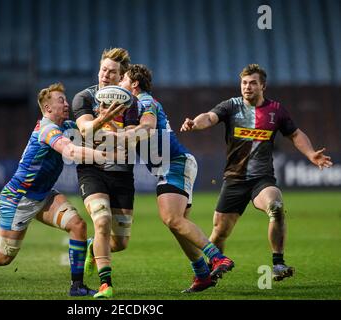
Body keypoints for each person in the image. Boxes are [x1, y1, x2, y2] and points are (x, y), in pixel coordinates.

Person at [0, 83, 106, 296]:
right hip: (18, 199)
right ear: (48, 108)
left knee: (77, 226)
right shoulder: (48, 129)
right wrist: (100, 156)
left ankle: (76, 287)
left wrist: (105, 115)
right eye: (61, 100)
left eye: (66, 99)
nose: (66, 103)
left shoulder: (66, 125)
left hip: (43, 195)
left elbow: (90, 129)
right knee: (4, 256)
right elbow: (69, 150)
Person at [180, 64, 333, 281]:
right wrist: (195, 123)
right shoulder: (231, 106)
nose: (247, 87)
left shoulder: (276, 110)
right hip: (234, 178)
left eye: (253, 83)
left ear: (263, 86)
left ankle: (278, 264)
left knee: (276, 206)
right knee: (220, 231)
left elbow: (295, 134)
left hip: (262, 179)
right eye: (244, 83)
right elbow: (210, 117)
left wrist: (310, 154)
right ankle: (211, 271)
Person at [119, 64, 234, 292]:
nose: (119, 82)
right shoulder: (136, 104)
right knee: (177, 225)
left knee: (172, 219)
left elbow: (149, 126)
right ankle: (202, 275)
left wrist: (122, 136)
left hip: (175, 164)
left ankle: (217, 258)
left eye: (122, 78)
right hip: (173, 165)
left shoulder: (144, 101)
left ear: (134, 84)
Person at [71, 48, 139, 298]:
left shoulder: (130, 102)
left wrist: (116, 133)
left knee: (120, 243)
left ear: (121, 76)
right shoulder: (83, 98)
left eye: (112, 72)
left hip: (122, 174)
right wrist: (105, 122)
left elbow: (132, 139)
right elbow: (86, 130)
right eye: (103, 69)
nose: (106, 75)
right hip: (93, 170)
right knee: (101, 221)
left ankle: (92, 249)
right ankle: (105, 284)